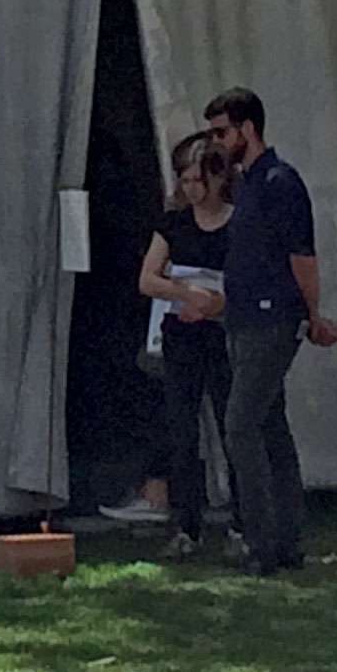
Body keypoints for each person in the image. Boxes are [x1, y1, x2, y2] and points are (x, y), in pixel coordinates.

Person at [203, 86, 337, 575]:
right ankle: (286, 540)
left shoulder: (280, 181)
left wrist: (313, 314)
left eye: (222, 132)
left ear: (248, 129)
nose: (216, 142)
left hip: (272, 319)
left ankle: (261, 543)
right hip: (243, 318)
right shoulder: (247, 184)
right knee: (269, 426)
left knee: (240, 424)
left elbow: (302, 257)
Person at [137, 132, 236, 558]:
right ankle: (187, 526)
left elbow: (249, 282)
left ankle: (242, 521)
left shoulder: (237, 224)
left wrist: (215, 304)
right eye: (186, 180)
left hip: (224, 336)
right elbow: (148, 279)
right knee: (182, 430)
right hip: (182, 336)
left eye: (200, 180)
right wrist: (186, 293)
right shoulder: (173, 225)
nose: (192, 189)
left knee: (233, 428)